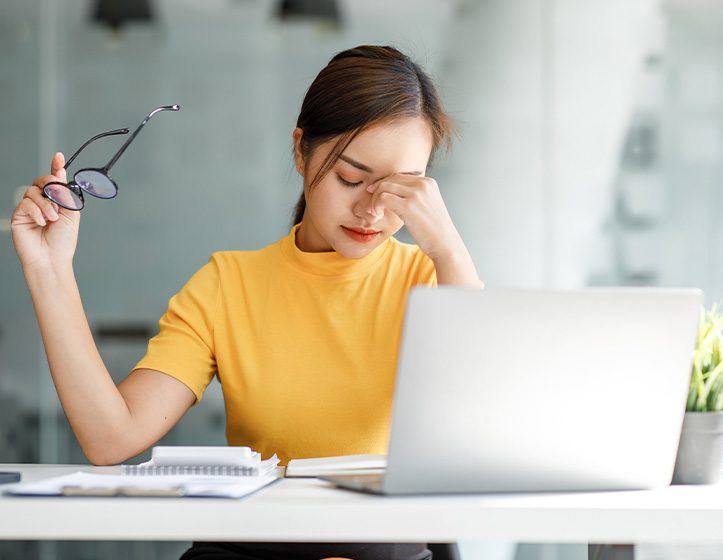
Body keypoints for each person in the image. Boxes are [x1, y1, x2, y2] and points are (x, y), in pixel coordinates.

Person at [11, 45, 480, 560]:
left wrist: (448, 249)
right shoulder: (226, 285)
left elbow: (486, 429)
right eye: (351, 178)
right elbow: (111, 438)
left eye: (399, 189)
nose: (370, 210)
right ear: (301, 151)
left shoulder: (432, 280)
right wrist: (49, 269)